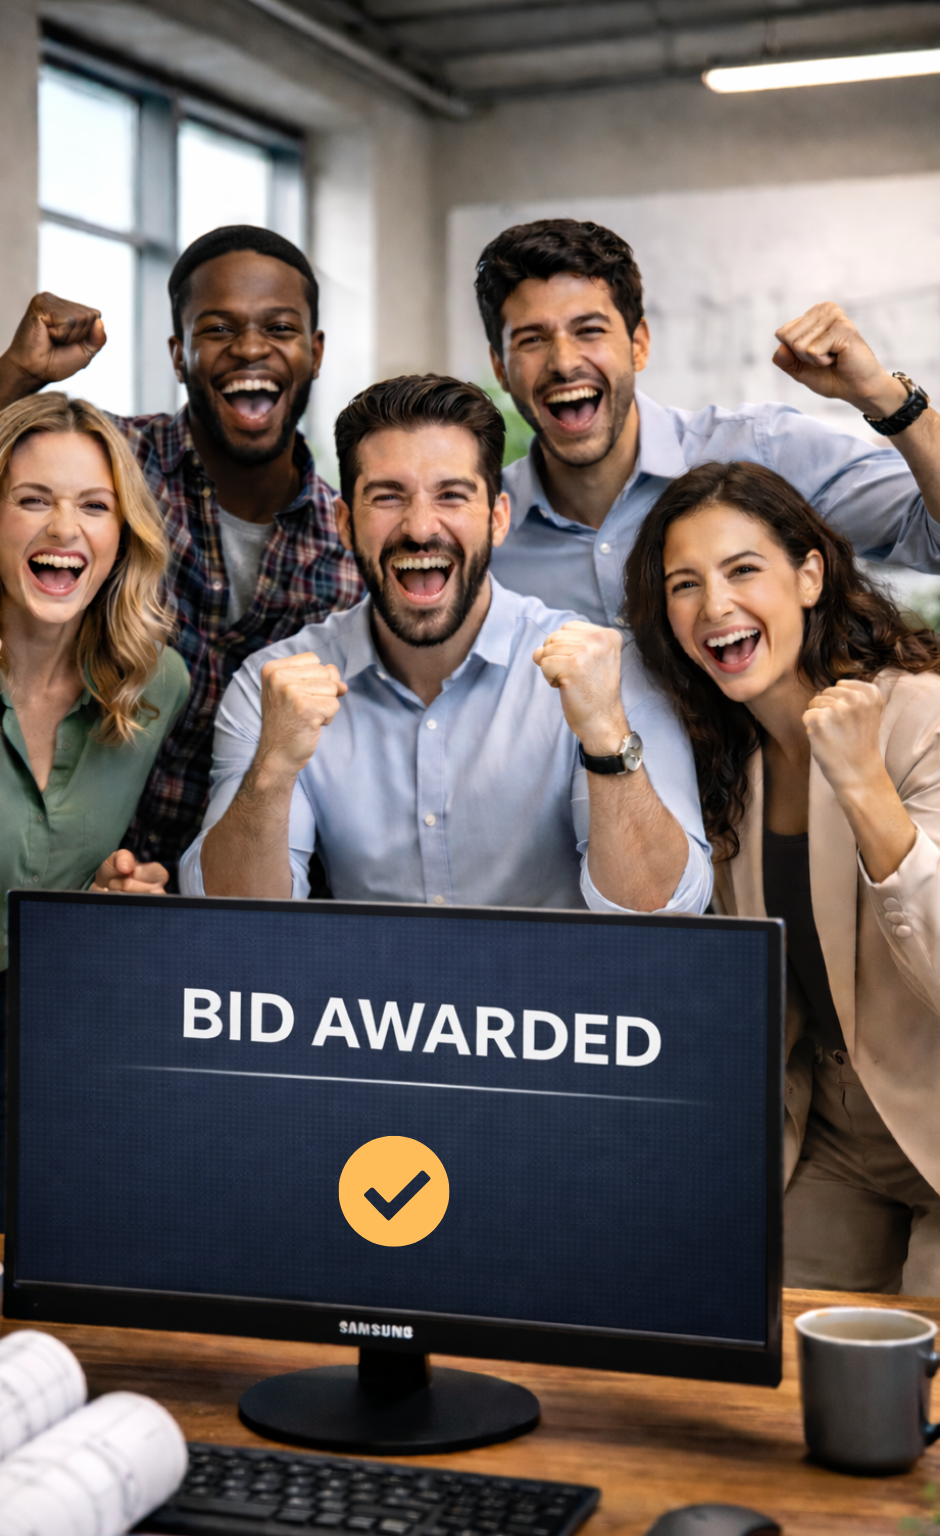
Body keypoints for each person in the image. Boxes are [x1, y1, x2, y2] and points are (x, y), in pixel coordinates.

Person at [0, 226, 362, 881]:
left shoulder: (348, 545)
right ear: (179, 355)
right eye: (217, 328)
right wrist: (17, 374)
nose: (249, 348)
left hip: (250, 883)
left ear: (315, 351)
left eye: (279, 327)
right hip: (76, 878)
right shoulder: (106, 467)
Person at [179, 376, 712, 917]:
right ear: (345, 523)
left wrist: (606, 736)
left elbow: (666, 910)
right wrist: (272, 769)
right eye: (387, 497)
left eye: (451, 495)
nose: (419, 528)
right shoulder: (271, 686)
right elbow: (225, 919)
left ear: (497, 519)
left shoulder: (608, 674)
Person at [625, 460, 940, 1294]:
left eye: (742, 570)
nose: (714, 606)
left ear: (810, 577)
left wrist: (865, 787)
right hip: (831, 1132)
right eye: (684, 585)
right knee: (765, 1333)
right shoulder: (722, 761)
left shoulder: (922, 716)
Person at [0, 392, 189, 1231]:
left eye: (94, 506)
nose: (64, 528)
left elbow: (42, 870)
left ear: (123, 537)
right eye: (33, 500)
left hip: (7, 1038)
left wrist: (97, 904)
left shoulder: (152, 685)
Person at [476, 219, 940, 628]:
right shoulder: (477, 529)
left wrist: (886, 397)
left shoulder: (763, 450)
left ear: (639, 345)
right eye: (532, 339)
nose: (563, 362)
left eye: (590, 330)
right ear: (500, 368)